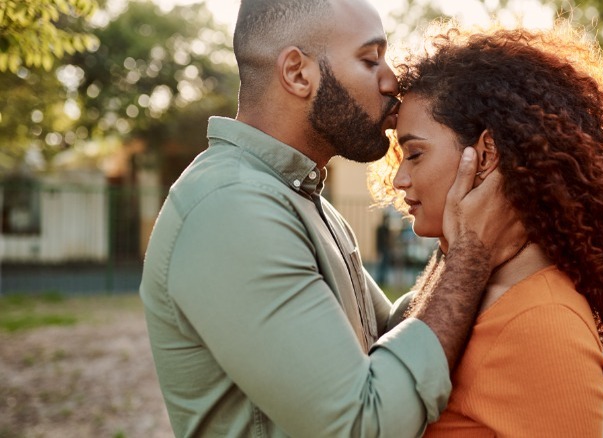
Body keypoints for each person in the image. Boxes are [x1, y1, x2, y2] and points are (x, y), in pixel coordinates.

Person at [139, 1, 524, 437]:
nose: (391, 79)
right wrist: (468, 258)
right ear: (298, 74)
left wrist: (462, 228)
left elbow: (389, 337)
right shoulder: (233, 208)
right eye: (369, 58)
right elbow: (364, 425)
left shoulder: (295, 197)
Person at [369, 20, 603, 436]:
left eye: (415, 153)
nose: (399, 179)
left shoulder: (543, 321)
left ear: (486, 154)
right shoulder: (476, 293)